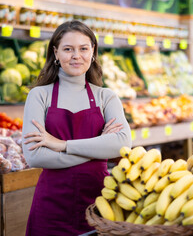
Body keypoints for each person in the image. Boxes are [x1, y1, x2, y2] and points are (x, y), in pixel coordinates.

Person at [22, 20, 132, 235]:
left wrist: (61, 145)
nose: (76, 56)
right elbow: (35, 156)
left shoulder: (105, 97)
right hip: (51, 206)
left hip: (98, 204)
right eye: (68, 49)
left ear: (93, 52)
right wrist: (98, 151)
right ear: (56, 52)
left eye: (83, 49)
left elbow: (122, 144)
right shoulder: (39, 95)